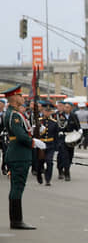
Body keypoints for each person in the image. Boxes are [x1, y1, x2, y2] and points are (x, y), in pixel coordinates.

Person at [2, 85, 45, 229]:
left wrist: (33, 130)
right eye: (20, 96)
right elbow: (20, 135)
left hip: (18, 154)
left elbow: (22, 130)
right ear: (14, 98)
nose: (23, 98)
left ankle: (16, 220)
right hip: (18, 155)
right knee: (17, 187)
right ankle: (16, 220)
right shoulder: (13, 115)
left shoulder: (14, 113)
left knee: (17, 187)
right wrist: (33, 142)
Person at [56, 101, 81, 181]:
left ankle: (66, 168)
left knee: (70, 155)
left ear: (71, 108)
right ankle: (65, 172)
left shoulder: (74, 116)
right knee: (63, 155)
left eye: (68, 107)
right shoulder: (58, 115)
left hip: (71, 138)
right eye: (65, 107)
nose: (66, 108)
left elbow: (77, 126)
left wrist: (80, 131)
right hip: (62, 137)